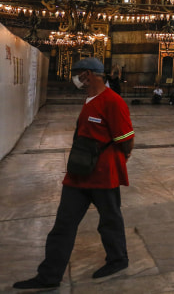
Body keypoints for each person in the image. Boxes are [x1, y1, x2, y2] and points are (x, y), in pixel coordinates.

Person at [14, 57, 135, 290]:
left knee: (110, 220)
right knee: (63, 224)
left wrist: (120, 158)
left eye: (77, 74)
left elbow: (126, 140)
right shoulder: (90, 99)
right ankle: (49, 275)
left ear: (87, 74)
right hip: (79, 172)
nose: (75, 78)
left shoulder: (112, 101)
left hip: (103, 173)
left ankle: (118, 259)